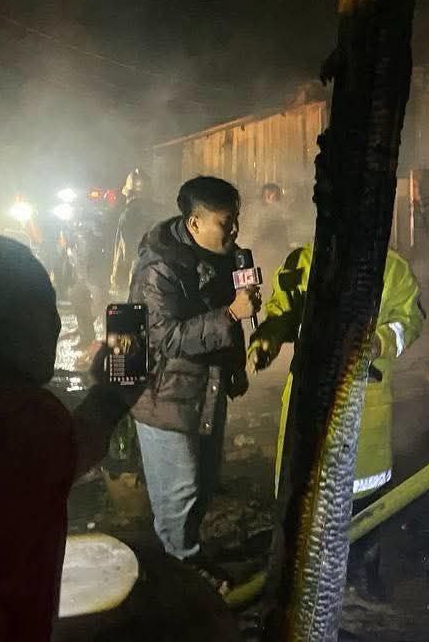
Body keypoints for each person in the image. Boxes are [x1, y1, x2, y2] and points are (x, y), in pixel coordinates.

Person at [0, 234, 140, 640]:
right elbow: (71, 449)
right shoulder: (16, 415)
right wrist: (114, 390)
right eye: (41, 309)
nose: (55, 325)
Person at [249, 242, 424, 597]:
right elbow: (282, 312)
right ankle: (308, 577)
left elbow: (409, 321)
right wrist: (268, 339)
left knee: (365, 495)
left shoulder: (392, 268)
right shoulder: (302, 261)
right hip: (309, 397)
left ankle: (364, 568)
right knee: (307, 497)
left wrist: (378, 342)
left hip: (364, 400)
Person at [127, 176, 260, 589]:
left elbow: (228, 326)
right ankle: (180, 577)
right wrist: (232, 314)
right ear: (195, 222)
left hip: (206, 389)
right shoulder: (158, 268)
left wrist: (235, 367)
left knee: (201, 482)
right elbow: (165, 338)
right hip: (162, 394)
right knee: (179, 491)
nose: (234, 230)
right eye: (225, 221)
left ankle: (187, 559)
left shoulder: (227, 258)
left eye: (236, 219)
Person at [110, 168, 160, 296]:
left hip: (138, 268)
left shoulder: (128, 214)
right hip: (161, 272)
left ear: (129, 194)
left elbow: (124, 249)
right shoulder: (160, 210)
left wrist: (116, 278)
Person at [251, 182, 291, 281]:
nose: (273, 199)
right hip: (263, 252)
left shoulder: (280, 214)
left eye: (276, 196)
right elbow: (255, 234)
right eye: (269, 196)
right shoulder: (258, 213)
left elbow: (284, 234)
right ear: (264, 197)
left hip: (278, 253)